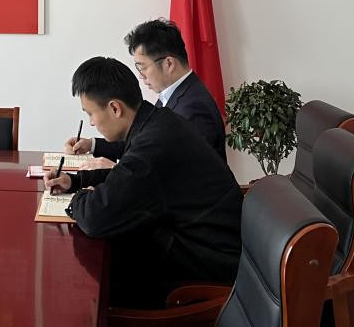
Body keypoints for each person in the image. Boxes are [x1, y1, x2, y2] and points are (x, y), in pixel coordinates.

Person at [45, 56, 242, 309]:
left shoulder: (153, 143)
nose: (92, 123)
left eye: (91, 113)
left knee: (90, 282)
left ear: (115, 108)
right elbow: (131, 177)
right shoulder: (157, 122)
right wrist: (76, 181)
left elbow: (95, 217)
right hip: (205, 245)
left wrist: (78, 198)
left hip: (205, 266)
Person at [64, 18, 226, 165]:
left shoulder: (193, 108)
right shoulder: (173, 94)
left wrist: (116, 171)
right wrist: (92, 145)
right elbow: (141, 141)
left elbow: (179, 171)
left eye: (143, 68)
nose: (141, 76)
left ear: (169, 64)